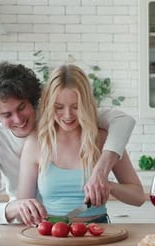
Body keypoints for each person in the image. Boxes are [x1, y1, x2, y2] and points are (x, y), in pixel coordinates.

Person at [0, 61, 136, 224]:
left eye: (21, 108)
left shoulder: (88, 128)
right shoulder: (1, 143)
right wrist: (18, 207)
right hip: (36, 226)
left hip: (94, 227)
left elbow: (124, 121)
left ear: (34, 101)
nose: (18, 119)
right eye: (7, 115)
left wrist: (104, 178)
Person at [17, 64, 145, 225]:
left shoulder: (103, 139)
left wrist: (108, 186)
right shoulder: (35, 143)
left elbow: (139, 197)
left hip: (98, 231)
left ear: (87, 105)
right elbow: (23, 207)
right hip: (52, 232)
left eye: (76, 107)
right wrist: (29, 211)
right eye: (58, 107)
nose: (68, 115)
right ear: (49, 105)